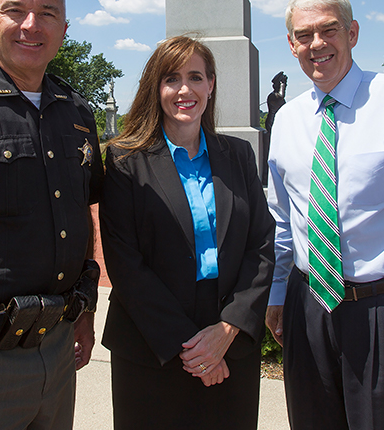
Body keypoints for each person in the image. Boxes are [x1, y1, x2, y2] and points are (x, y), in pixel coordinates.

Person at [100, 35, 274, 430]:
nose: (184, 90)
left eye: (196, 77)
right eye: (171, 78)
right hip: (152, 344)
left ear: (211, 85)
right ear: (155, 88)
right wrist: (193, 349)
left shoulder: (238, 155)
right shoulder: (126, 161)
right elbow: (126, 264)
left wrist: (228, 329)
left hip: (230, 340)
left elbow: (261, 245)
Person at [0, 0, 103, 429]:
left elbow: (82, 214)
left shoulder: (78, 113)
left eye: (47, 14)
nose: (31, 25)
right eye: (15, 10)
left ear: (64, 29)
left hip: (59, 352)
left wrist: (85, 310)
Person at [266, 0, 384, 429]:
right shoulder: (287, 119)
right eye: (303, 35)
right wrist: (278, 296)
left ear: (352, 33)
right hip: (308, 303)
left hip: (377, 307)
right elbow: (282, 217)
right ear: (292, 44)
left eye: (328, 30)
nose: (316, 44)